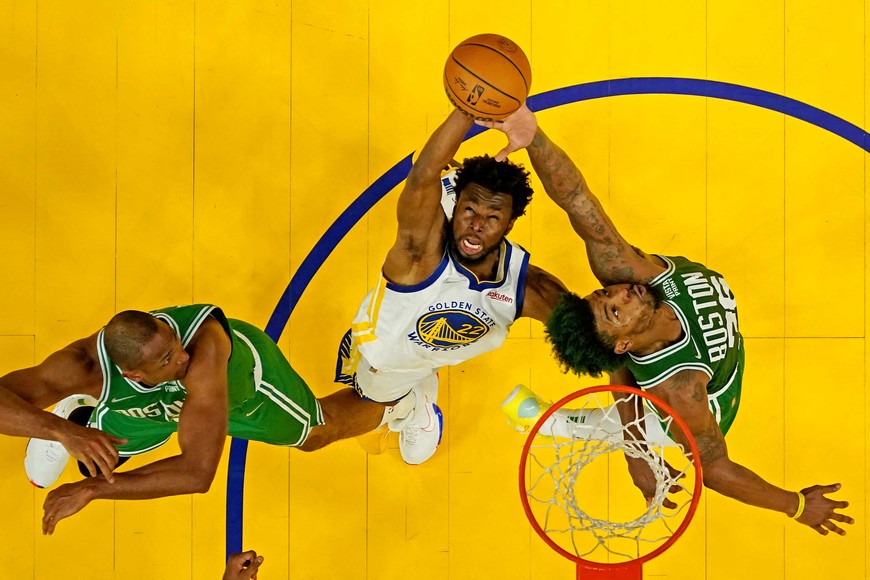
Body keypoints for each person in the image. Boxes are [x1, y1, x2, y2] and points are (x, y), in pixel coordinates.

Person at [490, 105, 854, 536]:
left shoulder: (628, 272)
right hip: (693, 414)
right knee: (640, 427)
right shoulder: (681, 394)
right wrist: (795, 506)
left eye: (606, 293)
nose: (622, 292)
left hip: (657, 364)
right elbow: (715, 470)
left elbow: (577, 201)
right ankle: (542, 421)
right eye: (614, 309)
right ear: (624, 342)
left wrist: (534, 138)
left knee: (622, 406)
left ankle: (619, 431)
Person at [0, 304, 392, 533]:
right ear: (133, 375)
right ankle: (76, 418)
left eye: (174, 343)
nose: (182, 358)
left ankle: (400, 400)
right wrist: (60, 430)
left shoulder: (202, 352)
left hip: (240, 393)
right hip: (155, 402)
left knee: (315, 434)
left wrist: (92, 493)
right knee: (99, 460)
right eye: (168, 359)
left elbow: (197, 472)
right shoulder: (81, 365)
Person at [336, 107, 567, 464]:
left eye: (492, 217)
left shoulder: (526, 284)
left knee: (370, 401)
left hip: (407, 352)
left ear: (508, 225)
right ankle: (413, 402)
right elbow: (423, 173)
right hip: (391, 340)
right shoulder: (425, 235)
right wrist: (467, 109)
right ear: (457, 203)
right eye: (470, 209)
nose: (477, 224)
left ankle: (413, 405)